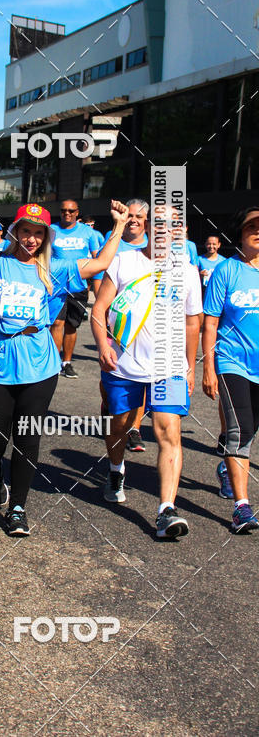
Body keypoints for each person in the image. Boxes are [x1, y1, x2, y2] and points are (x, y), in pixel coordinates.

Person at [0, 187, 128, 537]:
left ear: (46, 236)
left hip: (39, 361)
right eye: (26, 230)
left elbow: (100, 263)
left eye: (38, 232)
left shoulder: (54, 268)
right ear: (15, 231)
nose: (31, 238)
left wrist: (118, 226)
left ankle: (18, 508)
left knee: (27, 436)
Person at [91, 207, 202, 539]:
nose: (166, 230)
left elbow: (192, 321)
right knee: (120, 425)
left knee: (169, 432)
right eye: (160, 223)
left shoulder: (188, 270)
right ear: (150, 227)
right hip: (123, 365)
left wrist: (190, 365)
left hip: (169, 368)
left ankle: (166, 509)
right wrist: (102, 345)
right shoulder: (125, 261)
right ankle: (115, 469)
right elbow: (99, 309)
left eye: (174, 225)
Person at [202, 208, 259, 533]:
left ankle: (227, 467)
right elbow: (210, 321)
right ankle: (242, 507)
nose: (258, 231)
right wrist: (209, 366)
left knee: (248, 432)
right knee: (240, 431)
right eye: (252, 226)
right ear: (239, 232)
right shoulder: (227, 270)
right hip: (231, 361)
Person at [93, 199, 149, 451]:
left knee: (141, 383)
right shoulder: (113, 240)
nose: (134, 220)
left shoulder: (159, 247)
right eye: (130, 216)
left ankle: (134, 427)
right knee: (111, 384)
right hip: (113, 328)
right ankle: (110, 408)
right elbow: (99, 279)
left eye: (140, 216)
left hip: (146, 333)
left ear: (147, 222)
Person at [50, 198, 101, 378]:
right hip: (56, 284)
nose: (67, 214)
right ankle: (54, 362)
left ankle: (67, 362)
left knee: (72, 325)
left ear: (77, 212)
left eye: (71, 211)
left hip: (78, 285)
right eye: (64, 210)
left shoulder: (88, 232)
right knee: (56, 323)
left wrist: (98, 286)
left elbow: (97, 259)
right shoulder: (52, 230)